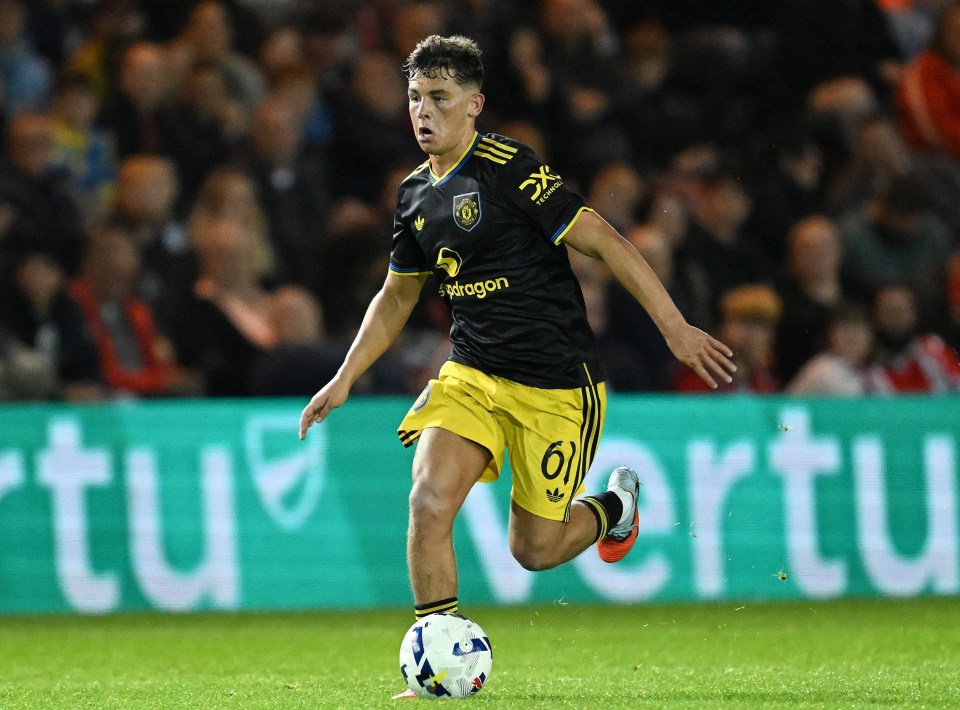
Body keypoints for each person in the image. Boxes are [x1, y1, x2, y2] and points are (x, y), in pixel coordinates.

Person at [297, 37, 734, 696]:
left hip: (557, 384)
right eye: (416, 97)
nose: (423, 112)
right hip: (473, 373)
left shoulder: (508, 168)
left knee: (534, 550)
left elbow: (604, 240)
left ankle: (615, 505)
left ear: (474, 105)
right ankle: (435, 660)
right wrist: (346, 375)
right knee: (427, 501)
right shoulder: (415, 194)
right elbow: (396, 296)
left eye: (439, 98)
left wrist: (673, 327)